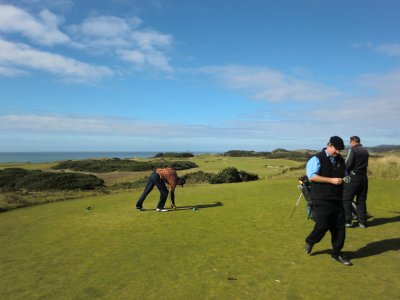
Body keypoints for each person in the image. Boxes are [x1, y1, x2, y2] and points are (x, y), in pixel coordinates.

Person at [304, 136, 352, 266]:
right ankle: (310, 240)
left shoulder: (340, 160)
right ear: (329, 145)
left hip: (337, 198)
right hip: (321, 198)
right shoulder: (317, 158)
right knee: (322, 225)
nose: (338, 152)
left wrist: (346, 178)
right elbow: (312, 176)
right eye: (336, 149)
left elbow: (345, 174)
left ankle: (337, 253)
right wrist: (331, 180)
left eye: (340, 150)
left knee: (339, 227)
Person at [342, 136, 369, 228]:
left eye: (350, 142)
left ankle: (348, 221)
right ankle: (362, 222)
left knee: (346, 199)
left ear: (353, 142)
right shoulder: (365, 151)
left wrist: (344, 173)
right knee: (361, 200)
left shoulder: (352, 150)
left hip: (354, 177)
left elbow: (348, 164)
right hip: (364, 178)